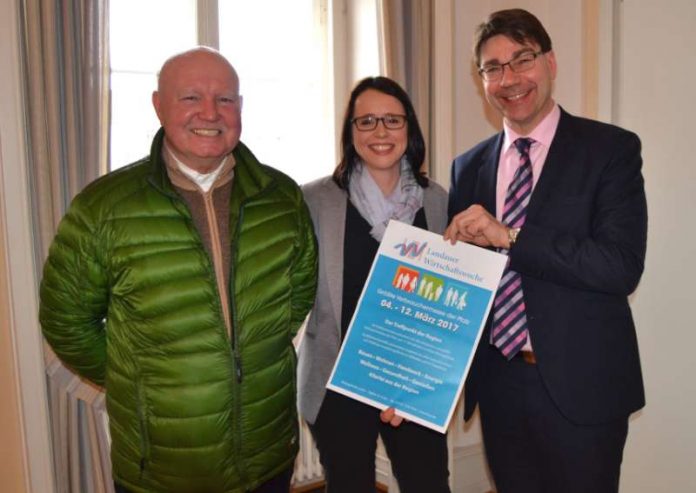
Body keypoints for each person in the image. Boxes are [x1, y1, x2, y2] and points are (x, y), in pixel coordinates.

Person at [39, 47, 318, 493]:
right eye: (191, 97)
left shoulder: (281, 197)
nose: (210, 112)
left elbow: (298, 292)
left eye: (225, 99)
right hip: (163, 470)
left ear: (240, 108)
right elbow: (66, 322)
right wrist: (139, 379)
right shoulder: (102, 209)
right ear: (158, 105)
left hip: (266, 455)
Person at [444, 9, 647, 493]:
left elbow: (619, 266)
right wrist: (411, 381)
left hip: (583, 388)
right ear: (482, 81)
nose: (509, 79)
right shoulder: (467, 167)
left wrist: (509, 236)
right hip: (499, 387)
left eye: (522, 60)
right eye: (493, 68)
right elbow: (461, 287)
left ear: (550, 63)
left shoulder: (610, 150)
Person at [298, 76, 451, 493]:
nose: (380, 132)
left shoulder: (436, 200)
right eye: (366, 121)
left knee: (430, 485)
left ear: (410, 129)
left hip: (413, 381)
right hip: (337, 384)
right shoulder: (313, 200)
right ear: (350, 132)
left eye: (392, 120)